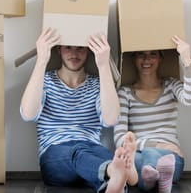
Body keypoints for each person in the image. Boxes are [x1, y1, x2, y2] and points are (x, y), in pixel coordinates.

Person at [20, 27, 138, 193]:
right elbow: (28, 114)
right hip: (55, 154)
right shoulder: (44, 81)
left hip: (92, 150)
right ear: (59, 50)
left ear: (88, 51)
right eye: (68, 47)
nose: (74, 54)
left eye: (80, 48)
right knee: (81, 154)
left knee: (107, 160)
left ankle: (116, 180)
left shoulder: (98, 84)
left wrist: (103, 65)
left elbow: (111, 119)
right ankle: (120, 172)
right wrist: (41, 60)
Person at [113, 35, 191, 193]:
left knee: (155, 160)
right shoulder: (124, 93)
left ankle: (151, 178)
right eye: (141, 54)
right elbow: (119, 139)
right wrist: (156, 145)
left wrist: (187, 61)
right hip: (138, 152)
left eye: (153, 54)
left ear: (160, 59)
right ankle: (158, 182)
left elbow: (190, 98)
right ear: (134, 58)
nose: (146, 60)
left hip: (170, 156)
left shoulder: (171, 85)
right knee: (139, 157)